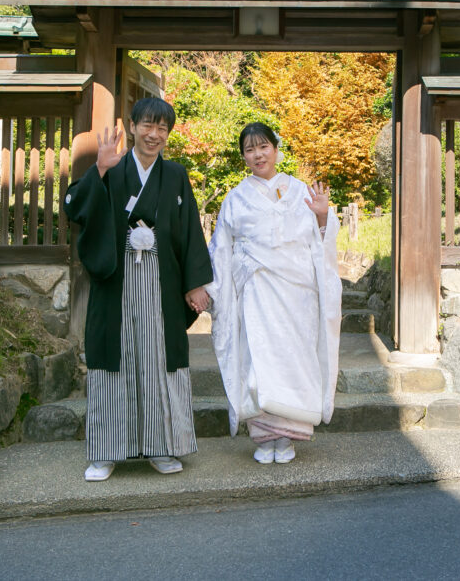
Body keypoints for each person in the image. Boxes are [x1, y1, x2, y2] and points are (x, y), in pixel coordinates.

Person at [64, 97, 212, 481]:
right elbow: (74, 207)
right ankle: (106, 451)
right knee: (114, 360)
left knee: (158, 358)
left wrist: (195, 283)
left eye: (162, 128)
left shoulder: (176, 175)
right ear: (132, 127)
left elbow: (191, 231)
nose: (154, 134)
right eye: (147, 125)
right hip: (118, 278)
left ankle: (163, 446)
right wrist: (99, 169)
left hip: (161, 279)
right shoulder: (110, 167)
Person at [207, 122, 341, 464]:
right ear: (244, 157)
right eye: (250, 150)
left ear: (276, 149)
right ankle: (264, 437)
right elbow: (221, 247)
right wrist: (214, 288)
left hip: (297, 292)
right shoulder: (235, 198)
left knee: (294, 358)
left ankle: (290, 436)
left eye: (263, 147)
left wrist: (323, 215)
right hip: (256, 291)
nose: (257, 155)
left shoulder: (300, 191)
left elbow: (319, 240)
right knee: (258, 360)